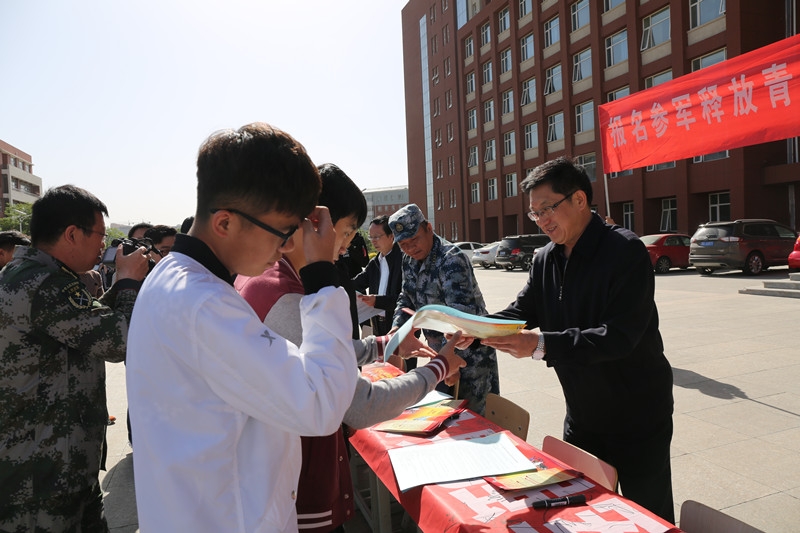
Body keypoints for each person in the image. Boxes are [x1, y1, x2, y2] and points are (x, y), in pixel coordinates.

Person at [126, 123, 362, 532]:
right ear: (225, 223)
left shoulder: (175, 277)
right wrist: (322, 275)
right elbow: (321, 404)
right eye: (283, 232)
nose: (289, 246)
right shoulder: (203, 306)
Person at [236, 165, 464, 532]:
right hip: (296, 486)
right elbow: (360, 404)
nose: (345, 246)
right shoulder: (282, 295)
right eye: (343, 233)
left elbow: (319, 350)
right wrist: (438, 368)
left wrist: (382, 344)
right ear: (314, 223)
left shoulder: (270, 277)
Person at [480, 156, 674, 522]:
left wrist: (541, 345)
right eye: (535, 213)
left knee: (650, 517)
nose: (542, 220)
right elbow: (519, 313)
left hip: (637, 418)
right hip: (583, 417)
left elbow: (619, 337)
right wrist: (473, 331)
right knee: (586, 513)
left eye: (548, 208)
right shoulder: (545, 259)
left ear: (580, 200)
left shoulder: (625, 252)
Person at [0, 184, 149, 532]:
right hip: (41, 478)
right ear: (71, 233)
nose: (103, 245)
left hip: (61, 467)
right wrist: (127, 283)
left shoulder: (42, 278)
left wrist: (120, 288)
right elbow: (120, 341)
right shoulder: (43, 284)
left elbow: (87, 322)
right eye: (99, 234)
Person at [389, 203, 499, 415]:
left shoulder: (451, 259)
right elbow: (407, 299)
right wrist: (397, 331)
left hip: (469, 358)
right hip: (441, 358)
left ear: (428, 228)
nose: (410, 248)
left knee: (475, 423)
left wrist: (448, 361)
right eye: (403, 244)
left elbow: (459, 319)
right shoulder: (409, 261)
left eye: (414, 240)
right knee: (444, 422)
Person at [353, 215, 403, 338]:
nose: (373, 241)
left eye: (377, 236)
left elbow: (408, 299)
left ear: (391, 236)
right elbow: (356, 284)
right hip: (378, 325)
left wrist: (377, 301)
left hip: (399, 327)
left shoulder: (404, 261)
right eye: (371, 237)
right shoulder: (375, 263)